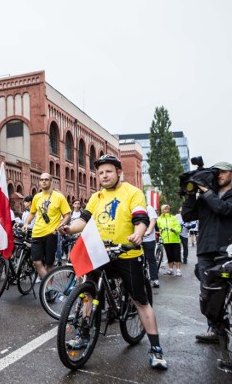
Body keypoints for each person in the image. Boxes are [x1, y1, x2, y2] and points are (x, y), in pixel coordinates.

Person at [60, 154, 168, 370]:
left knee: (140, 301)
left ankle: (156, 349)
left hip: (126, 253)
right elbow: (84, 219)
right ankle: (82, 333)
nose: (104, 175)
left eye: (108, 171)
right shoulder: (96, 197)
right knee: (88, 292)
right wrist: (70, 228)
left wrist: (138, 234)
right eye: (100, 172)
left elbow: (140, 218)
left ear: (119, 172)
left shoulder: (132, 193)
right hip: (100, 252)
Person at [181, 161, 232, 344]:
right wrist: (190, 194)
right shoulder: (205, 197)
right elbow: (187, 216)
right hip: (205, 249)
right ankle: (214, 327)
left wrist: (206, 191)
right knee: (208, 290)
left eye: (223, 172)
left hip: (228, 249)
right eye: (216, 172)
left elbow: (223, 208)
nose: (219, 175)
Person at [22, 173, 71, 280]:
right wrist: (26, 223)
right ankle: (47, 286)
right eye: (41, 179)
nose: (43, 181)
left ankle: (48, 290)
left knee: (49, 264)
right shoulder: (37, 197)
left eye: (46, 179)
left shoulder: (59, 197)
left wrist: (60, 225)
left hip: (51, 234)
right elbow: (32, 212)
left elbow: (67, 215)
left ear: (51, 182)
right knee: (36, 261)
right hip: (37, 233)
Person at [157, 204, 182, 277]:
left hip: (174, 239)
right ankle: (170, 269)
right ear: (162, 210)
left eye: (168, 209)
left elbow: (178, 227)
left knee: (177, 255)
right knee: (169, 255)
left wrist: (175, 230)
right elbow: (158, 227)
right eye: (165, 209)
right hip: (166, 240)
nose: (167, 210)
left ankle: (178, 270)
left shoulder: (173, 218)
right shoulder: (159, 219)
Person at [142, 205, 160, 287]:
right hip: (135, 238)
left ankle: (154, 279)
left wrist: (148, 231)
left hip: (147, 239)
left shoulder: (148, 208)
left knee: (150, 258)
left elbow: (153, 221)